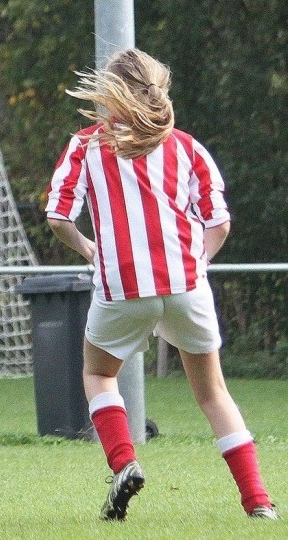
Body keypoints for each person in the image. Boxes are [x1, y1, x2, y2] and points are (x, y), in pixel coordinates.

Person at [45, 49, 276, 521]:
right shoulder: (188, 147)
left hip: (121, 286)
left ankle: (124, 463)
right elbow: (220, 222)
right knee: (213, 395)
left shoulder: (87, 145)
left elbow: (57, 215)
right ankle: (258, 504)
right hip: (186, 284)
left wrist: (89, 249)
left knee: (99, 374)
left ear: (111, 94)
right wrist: (199, 262)